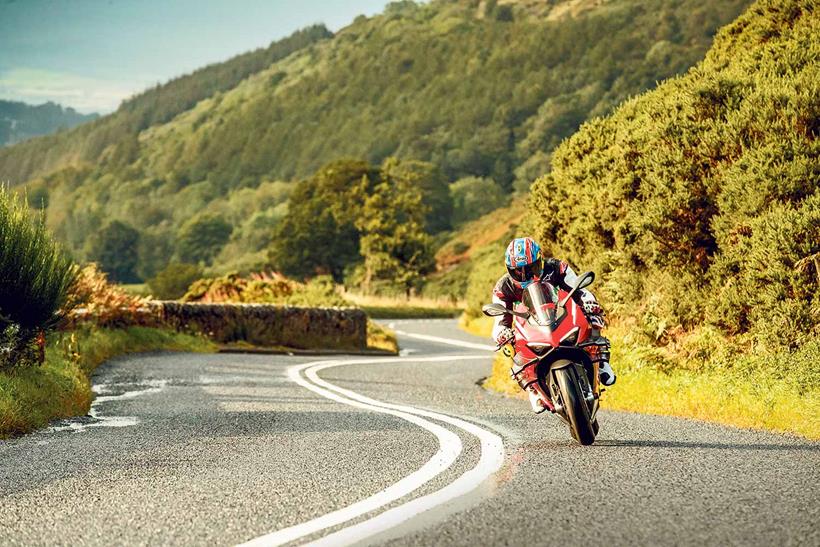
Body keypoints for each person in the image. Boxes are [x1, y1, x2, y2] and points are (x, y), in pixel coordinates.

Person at [491, 236, 616, 413]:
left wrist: (589, 304)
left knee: (593, 315)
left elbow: (580, 290)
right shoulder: (503, 287)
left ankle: (602, 362)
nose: (526, 275)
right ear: (509, 270)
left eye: (531, 268)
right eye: (518, 272)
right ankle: (533, 389)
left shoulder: (557, 267)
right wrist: (503, 333)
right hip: (531, 327)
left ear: (540, 261)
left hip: (560, 315)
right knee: (510, 346)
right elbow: (499, 322)